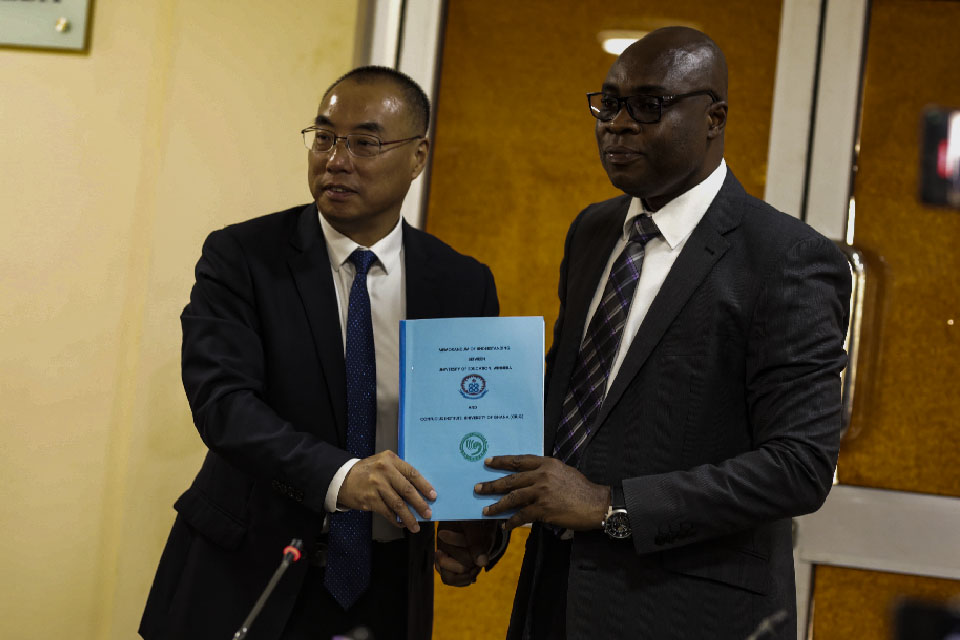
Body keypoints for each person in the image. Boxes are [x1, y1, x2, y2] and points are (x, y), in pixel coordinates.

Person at [439, 27, 851, 639]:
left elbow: (800, 466)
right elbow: (577, 408)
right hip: (553, 600)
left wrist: (611, 505)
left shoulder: (786, 258)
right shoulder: (592, 231)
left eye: (649, 106)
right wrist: (493, 513)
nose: (618, 124)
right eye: (609, 104)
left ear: (714, 118)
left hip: (685, 613)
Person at [139, 66, 499, 640]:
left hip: (387, 585)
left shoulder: (461, 283)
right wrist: (340, 475)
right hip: (246, 571)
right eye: (325, 137)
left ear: (417, 156)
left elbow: (474, 425)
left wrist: (478, 530)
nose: (335, 160)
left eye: (364, 143)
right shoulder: (243, 257)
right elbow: (223, 404)